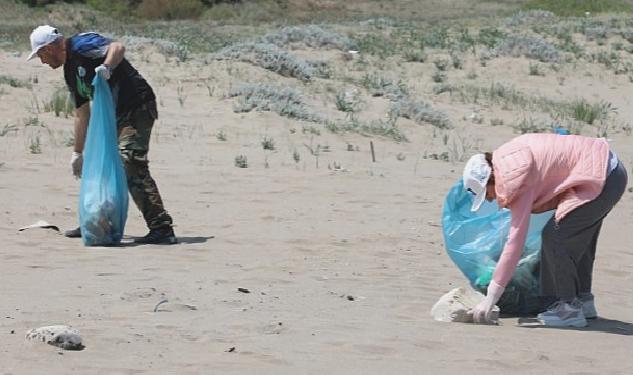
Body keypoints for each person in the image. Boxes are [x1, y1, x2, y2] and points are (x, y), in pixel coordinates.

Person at [27, 25, 176, 244]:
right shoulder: (69, 71)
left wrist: (106, 67)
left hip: (136, 107)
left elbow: (117, 47)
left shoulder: (81, 45)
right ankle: (96, 221)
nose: (42, 62)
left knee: (129, 161)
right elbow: (81, 113)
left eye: (41, 55)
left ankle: (162, 228)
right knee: (100, 165)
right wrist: (78, 153)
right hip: (111, 117)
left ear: (49, 48)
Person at [462, 133, 627, 327]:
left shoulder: (513, 178)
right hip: (609, 169)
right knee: (578, 238)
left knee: (556, 236)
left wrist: (491, 298)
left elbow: (515, 242)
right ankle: (583, 301)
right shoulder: (507, 158)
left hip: (603, 176)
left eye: (486, 194)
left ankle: (569, 310)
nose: (490, 199)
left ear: (491, 180)